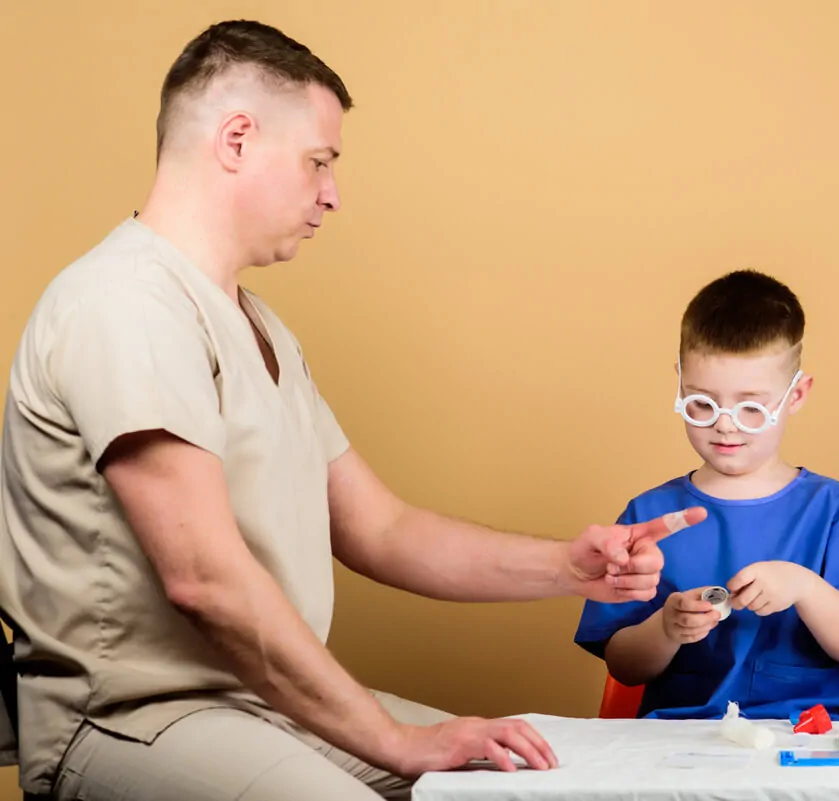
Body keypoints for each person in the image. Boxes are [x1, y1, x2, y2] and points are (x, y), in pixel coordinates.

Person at [0, 19, 705, 801]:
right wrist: (395, 741)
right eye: (318, 162)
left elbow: (382, 528)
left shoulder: (259, 327)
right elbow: (204, 578)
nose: (331, 192)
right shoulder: (125, 303)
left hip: (263, 703)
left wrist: (571, 568)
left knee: (524, 783)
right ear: (236, 139)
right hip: (135, 719)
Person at [573, 269, 839, 721]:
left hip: (805, 738)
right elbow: (625, 667)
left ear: (795, 395)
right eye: (702, 404)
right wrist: (666, 627)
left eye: (751, 408)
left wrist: (804, 586)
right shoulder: (650, 515)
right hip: (679, 741)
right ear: (679, 386)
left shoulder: (835, 512)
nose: (725, 425)